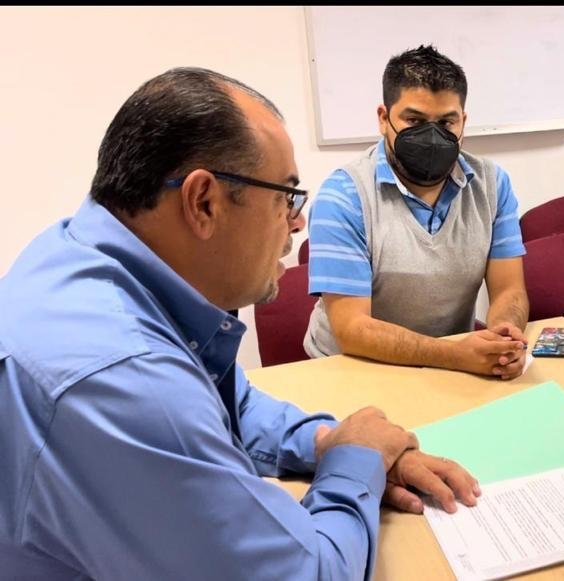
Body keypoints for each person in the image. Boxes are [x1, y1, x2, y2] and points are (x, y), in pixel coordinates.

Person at [0, 67, 481, 580]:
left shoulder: (83, 253)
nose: (297, 222)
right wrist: (356, 462)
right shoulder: (124, 380)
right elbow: (309, 574)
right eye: (286, 196)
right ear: (202, 201)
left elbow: (226, 402)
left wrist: (324, 443)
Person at [303, 45, 529, 380]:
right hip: (353, 368)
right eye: (414, 120)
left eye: (446, 122)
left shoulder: (493, 185)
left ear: (463, 122)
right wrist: (454, 354)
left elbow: (510, 289)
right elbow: (352, 329)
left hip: (452, 368)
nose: (432, 135)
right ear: (383, 119)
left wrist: (504, 335)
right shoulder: (343, 196)